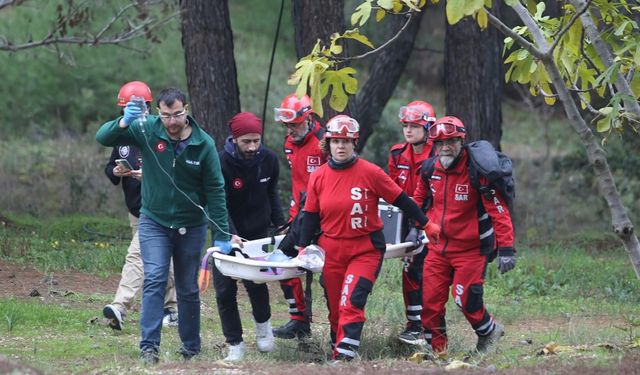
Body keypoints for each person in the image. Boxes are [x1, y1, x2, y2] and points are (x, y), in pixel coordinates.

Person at [96, 87, 231, 364]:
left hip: (191, 226)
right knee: (155, 278)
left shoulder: (203, 144)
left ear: (187, 110)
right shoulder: (146, 129)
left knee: (187, 287)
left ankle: (191, 347)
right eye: (167, 115)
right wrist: (124, 121)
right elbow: (103, 137)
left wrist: (221, 233)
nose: (172, 121)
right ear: (159, 112)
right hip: (154, 221)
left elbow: (216, 190)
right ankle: (149, 347)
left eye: (178, 114)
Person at [296, 115, 433, 361]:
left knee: (351, 302)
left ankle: (344, 358)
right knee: (336, 309)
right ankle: (337, 344)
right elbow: (310, 216)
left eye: (346, 141)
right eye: (336, 141)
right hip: (331, 251)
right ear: (328, 143)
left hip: (365, 249)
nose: (341, 146)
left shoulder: (371, 172)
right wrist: (302, 248)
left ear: (355, 143)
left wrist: (426, 224)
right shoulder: (318, 176)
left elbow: (402, 200)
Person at [413, 116, 516, 356]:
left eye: (451, 141)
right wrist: (413, 225)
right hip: (437, 248)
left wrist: (507, 249)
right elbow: (418, 199)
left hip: (472, 249)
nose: (445, 147)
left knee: (465, 297)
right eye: (439, 143)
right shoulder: (429, 169)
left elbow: (498, 211)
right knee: (429, 302)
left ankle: (489, 333)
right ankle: (437, 352)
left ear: (461, 140)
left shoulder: (477, 172)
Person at [102, 81, 179, 331]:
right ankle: (172, 308)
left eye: (141, 107)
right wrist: (115, 171)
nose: (136, 112)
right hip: (135, 209)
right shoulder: (122, 137)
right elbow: (111, 167)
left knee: (137, 256)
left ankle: (120, 306)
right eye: (128, 108)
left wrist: (152, 175)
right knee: (158, 258)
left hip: (160, 208)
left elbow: (178, 171)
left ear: (149, 107)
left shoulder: (162, 132)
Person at [214, 112, 286, 361]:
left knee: (257, 286)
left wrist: (280, 224)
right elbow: (218, 203)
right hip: (227, 234)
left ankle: (264, 330)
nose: (253, 146)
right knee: (224, 291)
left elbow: (272, 194)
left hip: (258, 232)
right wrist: (229, 234)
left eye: (256, 140)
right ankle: (235, 343)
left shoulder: (269, 160)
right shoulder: (220, 163)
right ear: (234, 139)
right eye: (246, 141)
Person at [271, 93, 327, 339]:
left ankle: (338, 323)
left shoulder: (326, 142)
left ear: (308, 117)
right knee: (284, 262)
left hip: (325, 216)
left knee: (330, 273)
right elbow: (298, 183)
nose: (290, 129)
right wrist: (294, 216)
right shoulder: (289, 144)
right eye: (286, 125)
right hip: (301, 214)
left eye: (294, 124)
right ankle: (298, 321)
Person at [387, 100, 437, 345]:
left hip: (433, 220)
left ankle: (429, 326)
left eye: (415, 126)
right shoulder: (397, 154)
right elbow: (392, 188)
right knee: (410, 269)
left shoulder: (438, 154)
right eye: (406, 125)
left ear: (428, 127)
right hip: (406, 221)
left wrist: (422, 223)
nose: (408, 130)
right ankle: (415, 324)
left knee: (429, 272)